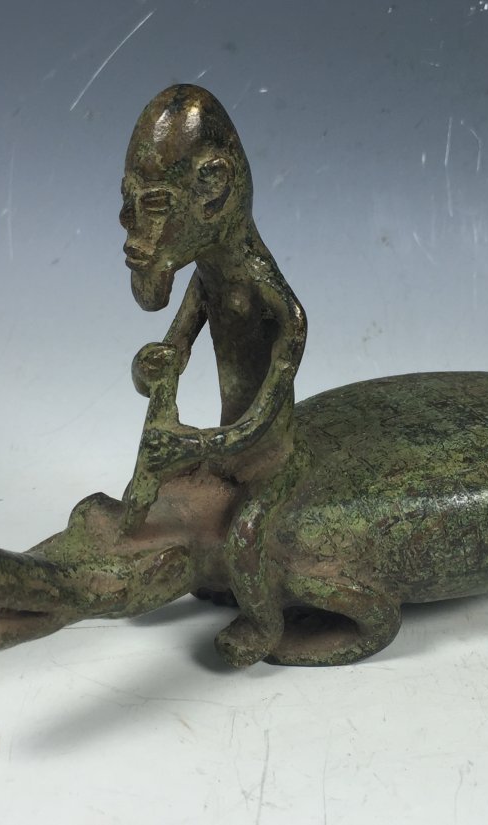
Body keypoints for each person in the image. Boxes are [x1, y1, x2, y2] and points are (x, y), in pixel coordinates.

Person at [120, 84, 307, 666]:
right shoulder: (208, 280)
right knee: (151, 501)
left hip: (267, 463)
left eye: (154, 205)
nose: (131, 224)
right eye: (129, 202)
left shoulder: (278, 307)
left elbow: (263, 421)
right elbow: (168, 353)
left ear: (213, 187)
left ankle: (264, 624)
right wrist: (153, 365)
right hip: (224, 455)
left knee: (245, 539)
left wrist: (197, 445)